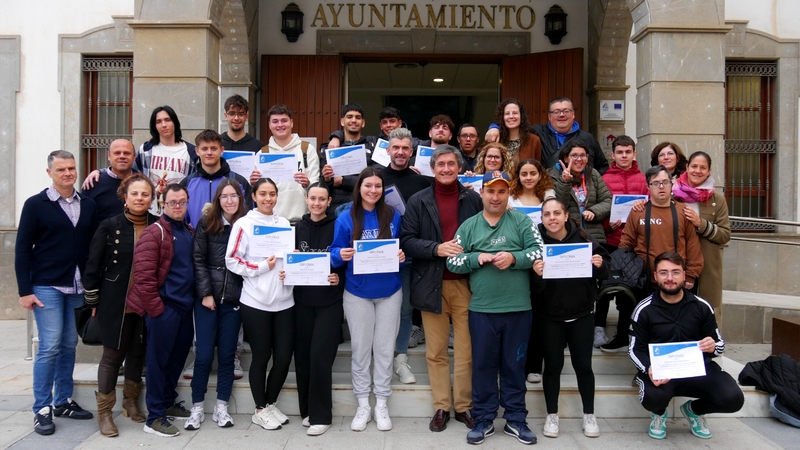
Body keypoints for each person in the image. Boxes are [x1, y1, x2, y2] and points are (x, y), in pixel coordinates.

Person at [446, 171, 544, 446]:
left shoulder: (522, 221)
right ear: (482, 193)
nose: (496, 197)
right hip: (482, 310)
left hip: (518, 309)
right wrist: (477, 258)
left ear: (508, 193)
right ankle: (484, 418)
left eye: (502, 191)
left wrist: (514, 257)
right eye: (491, 191)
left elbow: (539, 251)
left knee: (514, 365)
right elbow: (452, 262)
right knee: (483, 366)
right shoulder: (469, 226)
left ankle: (515, 419)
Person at [400, 145, 483, 432]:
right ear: (432, 168)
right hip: (430, 284)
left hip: (466, 285)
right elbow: (407, 240)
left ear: (459, 167)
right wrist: (437, 248)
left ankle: (463, 406)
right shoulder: (418, 200)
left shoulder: (473, 199)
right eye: (441, 164)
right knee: (435, 351)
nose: (446, 169)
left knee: (466, 350)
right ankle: (441, 406)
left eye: (451, 164)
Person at [15, 150, 97, 436]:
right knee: (49, 345)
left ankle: (63, 401)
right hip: (47, 285)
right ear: (49, 172)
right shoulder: (36, 205)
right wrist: (25, 291)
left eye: (72, 168)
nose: (68, 174)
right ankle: (42, 407)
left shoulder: (87, 203)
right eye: (61, 169)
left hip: (77, 285)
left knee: (68, 344)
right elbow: (23, 248)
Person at [630, 251, 743, 440]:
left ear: (684, 274)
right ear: (656, 276)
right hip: (662, 373)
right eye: (664, 273)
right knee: (652, 398)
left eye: (675, 272)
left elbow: (719, 343)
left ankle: (694, 411)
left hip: (697, 369)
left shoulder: (701, 306)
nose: (670, 278)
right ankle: (658, 414)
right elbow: (635, 349)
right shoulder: (644, 309)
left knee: (733, 399)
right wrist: (649, 368)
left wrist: (713, 346)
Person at [330, 167, 405, 432]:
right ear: (359, 187)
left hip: (389, 292)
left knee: (384, 350)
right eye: (367, 186)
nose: (373, 190)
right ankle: (363, 403)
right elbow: (333, 252)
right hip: (357, 293)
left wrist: (402, 256)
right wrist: (342, 255)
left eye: (377, 186)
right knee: (361, 351)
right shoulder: (346, 218)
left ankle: (381, 402)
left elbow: (401, 246)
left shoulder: (393, 215)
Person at [601, 165, 704, 352]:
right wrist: (626, 273)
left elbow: (692, 245)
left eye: (665, 182)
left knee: (668, 326)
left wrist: (691, 275)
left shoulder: (683, 212)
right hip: (642, 278)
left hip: (673, 280)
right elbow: (626, 243)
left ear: (671, 184)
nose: (661, 187)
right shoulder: (639, 211)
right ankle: (625, 340)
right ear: (648, 187)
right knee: (634, 315)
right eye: (656, 183)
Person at [84, 173, 157, 437]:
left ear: (152, 198)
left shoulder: (158, 225)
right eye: (135, 193)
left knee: (138, 353)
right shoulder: (109, 225)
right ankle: (104, 413)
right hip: (116, 302)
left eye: (145, 194)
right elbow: (92, 267)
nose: (140, 198)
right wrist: (93, 301)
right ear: (124, 197)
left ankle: (131, 401)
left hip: (147, 302)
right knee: (113, 355)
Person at [531, 198, 610, 439]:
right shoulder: (536, 244)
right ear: (541, 218)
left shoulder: (585, 239)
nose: (552, 218)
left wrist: (599, 265)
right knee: (553, 367)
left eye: (557, 213)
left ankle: (589, 414)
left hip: (581, 314)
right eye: (547, 214)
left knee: (583, 366)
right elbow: (531, 287)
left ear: (566, 216)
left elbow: (605, 269)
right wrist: (535, 273)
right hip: (549, 316)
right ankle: (552, 415)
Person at [225, 178, 295, 431]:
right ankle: (259, 409)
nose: (268, 199)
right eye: (263, 194)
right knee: (262, 356)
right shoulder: (243, 224)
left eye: (273, 194)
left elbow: (287, 259)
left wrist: (292, 268)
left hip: (285, 301)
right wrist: (263, 266)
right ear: (253, 196)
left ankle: (271, 403)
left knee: (285, 357)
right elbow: (232, 260)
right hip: (255, 301)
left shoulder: (285, 224)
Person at [127, 184, 195, 437]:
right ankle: (154, 417)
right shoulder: (154, 233)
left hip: (185, 309)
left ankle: (167, 401)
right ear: (162, 204)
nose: (178, 207)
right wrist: (157, 311)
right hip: (164, 310)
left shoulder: (188, 230)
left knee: (176, 360)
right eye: (173, 202)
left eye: (182, 202)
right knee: (157, 363)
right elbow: (143, 278)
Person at [185, 179, 247, 431]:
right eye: (225, 196)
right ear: (218, 199)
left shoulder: (246, 225)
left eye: (234, 196)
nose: (230, 201)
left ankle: (222, 407)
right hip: (208, 299)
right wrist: (206, 293)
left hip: (234, 299)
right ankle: (197, 407)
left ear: (240, 200)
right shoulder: (206, 223)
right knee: (203, 356)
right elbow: (198, 260)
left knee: (227, 355)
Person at [287, 182, 345, 436]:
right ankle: (308, 411)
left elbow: (345, 259)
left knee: (321, 356)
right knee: (302, 357)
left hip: (330, 301)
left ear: (330, 201)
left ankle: (323, 416)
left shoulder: (338, 226)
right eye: (313, 198)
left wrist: (338, 277)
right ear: (306, 199)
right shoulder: (296, 228)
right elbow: (290, 261)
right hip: (301, 301)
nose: (317, 203)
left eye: (322, 199)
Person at [380, 128, 432, 384]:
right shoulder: (375, 177)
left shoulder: (422, 181)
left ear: (411, 152)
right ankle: (380, 360)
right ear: (388, 150)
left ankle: (400, 359)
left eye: (405, 148)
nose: (400, 152)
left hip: (410, 255)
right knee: (377, 308)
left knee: (405, 309)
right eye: (396, 147)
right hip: (377, 256)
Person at [80, 106, 199, 215]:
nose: (163, 125)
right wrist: (101, 172)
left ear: (175, 122)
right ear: (154, 126)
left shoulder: (190, 151)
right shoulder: (146, 149)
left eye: (167, 120)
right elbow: (126, 169)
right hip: (149, 215)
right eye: (158, 121)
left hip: (178, 214)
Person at [594, 135, 649, 347]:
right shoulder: (604, 179)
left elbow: (650, 208)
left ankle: (623, 332)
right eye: (620, 152)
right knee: (604, 287)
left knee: (629, 289)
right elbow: (600, 209)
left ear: (634, 153)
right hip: (610, 240)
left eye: (628, 152)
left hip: (634, 244)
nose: (624, 156)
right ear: (613, 155)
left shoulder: (644, 180)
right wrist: (610, 224)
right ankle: (599, 328)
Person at [507, 158, 555, 385]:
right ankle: (513, 363)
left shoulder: (548, 197)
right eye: (524, 173)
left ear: (540, 175)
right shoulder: (510, 198)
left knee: (539, 317)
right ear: (518, 176)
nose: (528, 177)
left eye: (532, 173)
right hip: (517, 261)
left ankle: (535, 365)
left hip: (543, 265)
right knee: (518, 317)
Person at [671, 151, 731, 319]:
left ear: (709, 171)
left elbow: (725, 235)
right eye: (694, 166)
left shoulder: (717, 200)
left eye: (703, 167)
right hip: (678, 262)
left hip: (707, 265)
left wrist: (701, 224)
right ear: (687, 167)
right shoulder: (672, 195)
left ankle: (709, 344)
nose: (698, 171)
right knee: (676, 310)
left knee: (706, 311)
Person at [485, 97, 609, 174]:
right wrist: (494, 127)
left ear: (573, 114)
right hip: (548, 190)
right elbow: (513, 125)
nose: (561, 115)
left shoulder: (588, 138)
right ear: (549, 116)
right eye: (556, 112)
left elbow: (603, 167)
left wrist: (591, 184)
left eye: (566, 111)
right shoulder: (537, 132)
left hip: (581, 194)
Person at [250, 104, 320, 223]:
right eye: (275, 121)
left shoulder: (306, 149)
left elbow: (317, 184)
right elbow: (258, 191)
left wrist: (307, 183)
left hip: (302, 220)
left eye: (284, 120)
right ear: (269, 125)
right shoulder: (263, 153)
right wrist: (253, 183)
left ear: (291, 123)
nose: (280, 125)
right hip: (271, 221)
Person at [182, 129, 252, 229]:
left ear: (222, 150)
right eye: (204, 149)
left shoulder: (239, 182)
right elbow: (180, 219)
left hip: (230, 241)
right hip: (196, 242)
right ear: (197, 151)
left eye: (213, 148)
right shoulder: (187, 183)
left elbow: (248, 217)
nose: (209, 152)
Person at [548, 141, 612, 245]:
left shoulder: (593, 174)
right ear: (565, 158)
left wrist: (594, 211)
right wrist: (565, 182)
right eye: (574, 155)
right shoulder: (552, 176)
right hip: (567, 235)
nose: (579, 159)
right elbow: (559, 205)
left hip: (594, 236)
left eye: (583, 155)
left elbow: (607, 200)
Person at [320, 103, 380, 211]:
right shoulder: (330, 148)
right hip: (336, 209)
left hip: (365, 206)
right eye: (349, 117)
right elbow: (323, 185)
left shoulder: (373, 146)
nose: (353, 120)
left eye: (358, 117)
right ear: (342, 122)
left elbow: (376, 178)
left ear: (363, 123)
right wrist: (327, 179)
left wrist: (343, 181)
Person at [83, 139, 136, 221]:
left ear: (134, 157)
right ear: (108, 156)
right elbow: (85, 218)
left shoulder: (141, 182)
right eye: (117, 153)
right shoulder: (93, 183)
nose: (122, 156)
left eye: (127, 153)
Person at [494, 98, 542, 166]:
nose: (511, 116)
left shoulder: (534, 140)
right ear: (502, 117)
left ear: (521, 116)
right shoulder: (495, 138)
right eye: (507, 113)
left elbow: (538, 167)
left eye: (515, 113)